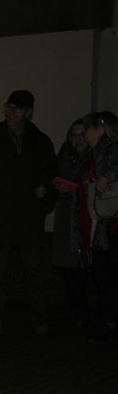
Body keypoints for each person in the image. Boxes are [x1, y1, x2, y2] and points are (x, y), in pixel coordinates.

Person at [0, 90, 57, 337]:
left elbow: (51, 174)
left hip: (29, 220)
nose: (10, 113)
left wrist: (44, 195)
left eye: (16, 109)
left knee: (33, 273)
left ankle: (38, 318)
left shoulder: (40, 142)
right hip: (0, 220)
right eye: (8, 107)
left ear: (28, 112)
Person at [73, 111, 118, 343]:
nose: (85, 136)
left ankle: (109, 324)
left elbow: (113, 169)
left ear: (99, 130)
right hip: (99, 223)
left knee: (106, 274)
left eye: (87, 130)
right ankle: (106, 322)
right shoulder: (95, 152)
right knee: (102, 274)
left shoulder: (108, 148)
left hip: (108, 224)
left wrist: (106, 178)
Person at [51, 119, 91, 326]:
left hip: (88, 219)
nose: (78, 140)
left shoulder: (94, 159)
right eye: (74, 135)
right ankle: (77, 312)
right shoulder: (64, 157)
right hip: (68, 219)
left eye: (82, 135)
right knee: (71, 270)